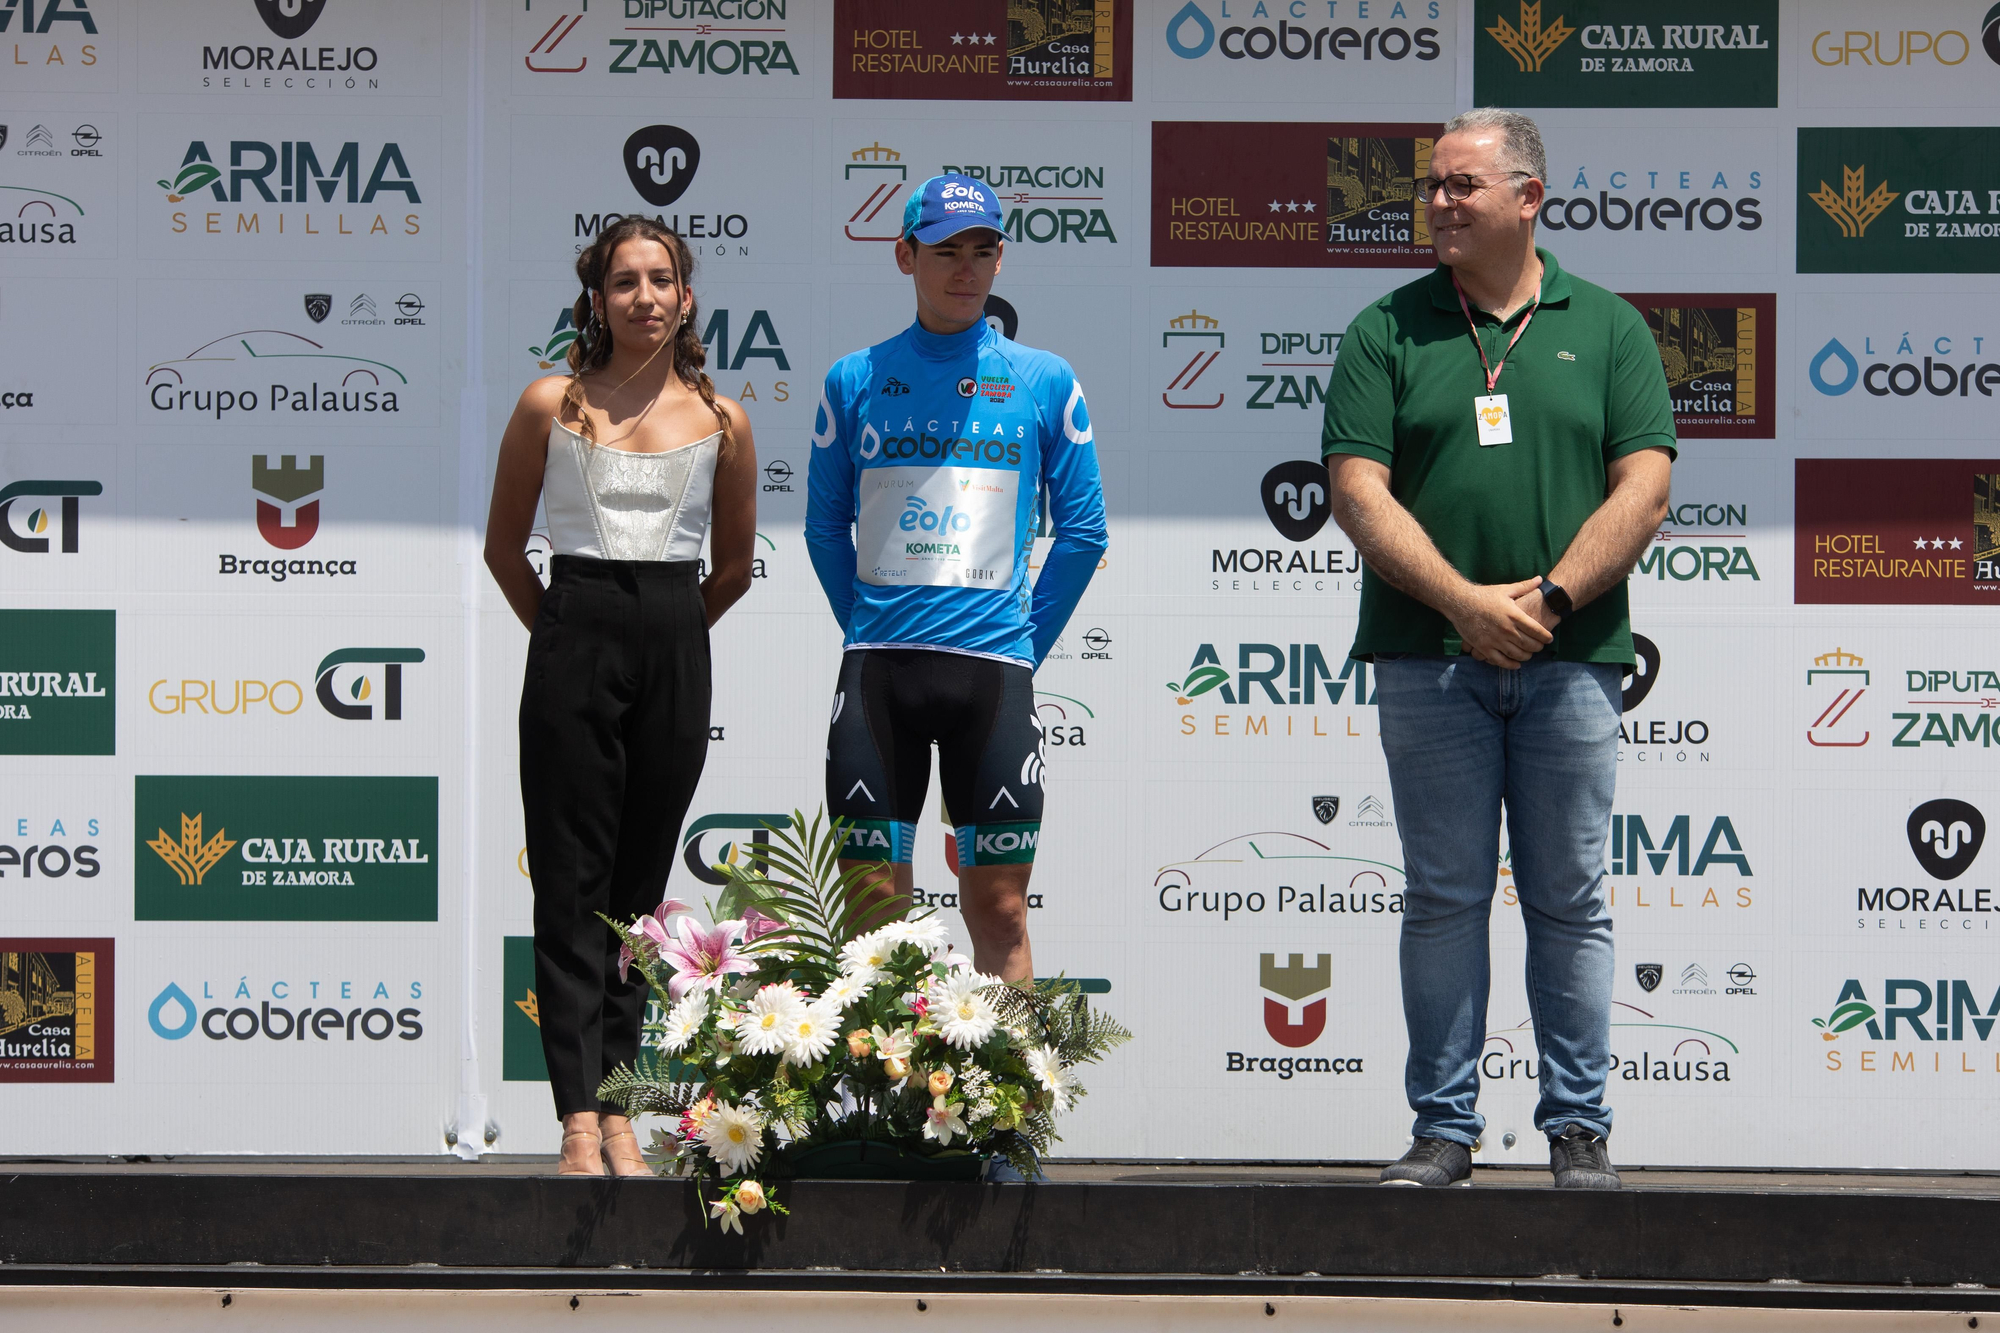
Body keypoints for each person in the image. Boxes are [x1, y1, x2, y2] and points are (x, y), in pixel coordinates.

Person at [1322, 109, 1674, 1190]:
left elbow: (1646, 485)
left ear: (1526, 198)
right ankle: (1442, 1129)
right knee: (1441, 895)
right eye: (1431, 185)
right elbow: (1353, 491)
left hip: (1571, 660)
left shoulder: (1608, 327)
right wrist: (1465, 602)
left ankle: (1577, 1130)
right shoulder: (1384, 328)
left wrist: (1551, 598)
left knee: (1568, 895)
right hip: (1426, 657)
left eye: (1458, 185)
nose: (1435, 201)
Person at [485, 217, 757, 1176]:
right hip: (574, 634)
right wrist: (568, 642)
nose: (645, 295)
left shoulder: (726, 420)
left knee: (638, 901)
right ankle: (575, 1115)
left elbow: (731, 572)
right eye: (624, 281)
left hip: (677, 641)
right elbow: (502, 549)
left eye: (662, 279)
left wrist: (665, 642)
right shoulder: (550, 405)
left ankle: (624, 1108)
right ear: (594, 300)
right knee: (570, 887)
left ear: (687, 298)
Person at [805, 173, 1107, 985]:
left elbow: (1085, 532)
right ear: (905, 256)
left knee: (1001, 912)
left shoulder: (1045, 379)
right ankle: (879, 1111)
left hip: (994, 678)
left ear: (1001, 259)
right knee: (873, 913)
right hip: (880, 675)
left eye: (983, 251)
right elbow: (823, 525)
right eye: (945, 252)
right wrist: (867, 623)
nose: (965, 269)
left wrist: (1019, 646)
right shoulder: (854, 377)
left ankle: (1009, 1113)